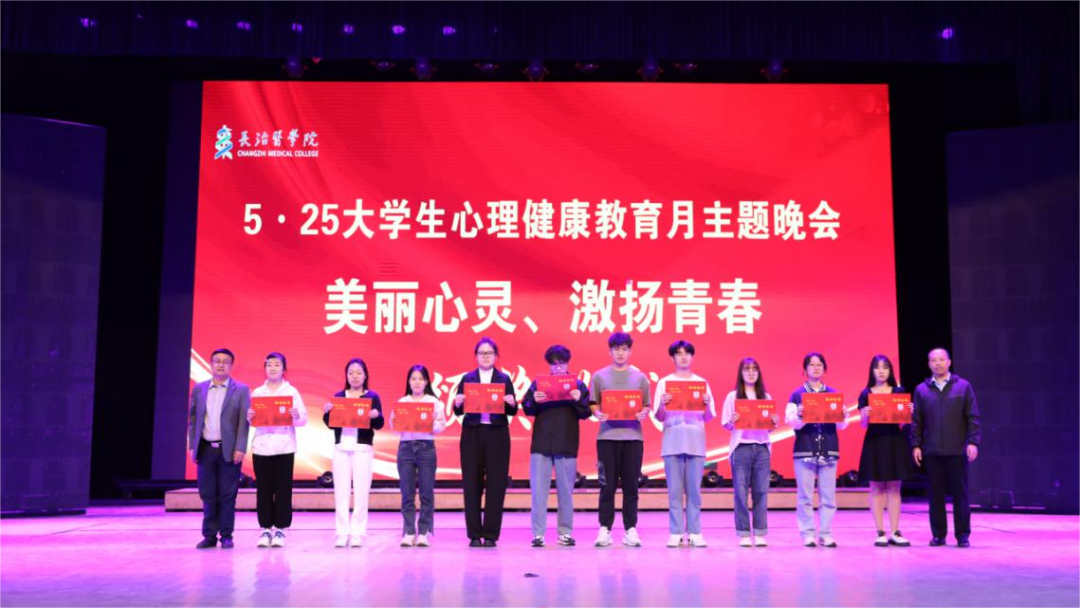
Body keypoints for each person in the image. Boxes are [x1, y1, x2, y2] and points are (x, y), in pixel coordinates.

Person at [521, 345, 591, 548]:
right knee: (538, 492)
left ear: (568, 363)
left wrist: (578, 400)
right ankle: (538, 534)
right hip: (541, 443)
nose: (558, 367)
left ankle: (565, 533)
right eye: (554, 364)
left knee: (566, 492)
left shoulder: (577, 385)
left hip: (567, 442)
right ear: (549, 365)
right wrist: (534, 401)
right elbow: (527, 408)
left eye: (562, 363)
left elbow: (586, 412)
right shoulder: (539, 384)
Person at [911, 347, 981, 548]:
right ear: (929, 364)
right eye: (933, 360)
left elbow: (973, 417)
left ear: (949, 362)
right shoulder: (921, 390)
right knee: (935, 496)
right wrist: (916, 445)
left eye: (942, 359)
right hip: (932, 451)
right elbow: (917, 421)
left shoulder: (963, 387)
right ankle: (938, 535)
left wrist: (973, 442)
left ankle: (963, 535)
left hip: (957, 450)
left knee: (961, 495)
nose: (938, 363)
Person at [452, 337, 518, 547]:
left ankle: (490, 534)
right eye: (482, 353)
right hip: (472, 434)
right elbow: (458, 411)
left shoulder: (504, 379)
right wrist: (457, 403)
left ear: (496, 356)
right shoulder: (468, 378)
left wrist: (511, 403)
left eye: (489, 353)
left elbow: (513, 410)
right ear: (476, 356)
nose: (486, 356)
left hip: (497, 435)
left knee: (496, 484)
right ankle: (474, 534)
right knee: (471, 483)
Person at [589, 332, 651, 548]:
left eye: (624, 349)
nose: (620, 353)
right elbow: (593, 402)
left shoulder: (640, 378)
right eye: (616, 349)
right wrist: (597, 413)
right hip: (607, 437)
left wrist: (643, 413)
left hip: (633, 438)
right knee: (607, 485)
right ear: (610, 351)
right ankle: (604, 529)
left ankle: (630, 529)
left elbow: (646, 405)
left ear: (630, 351)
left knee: (631, 486)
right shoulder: (599, 376)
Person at [654, 340, 715, 548]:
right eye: (678, 353)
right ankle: (676, 532)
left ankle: (695, 532)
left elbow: (709, 416)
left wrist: (706, 404)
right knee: (674, 492)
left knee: (694, 492)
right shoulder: (664, 383)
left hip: (695, 442)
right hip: (672, 442)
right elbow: (659, 416)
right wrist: (663, 404)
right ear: (672, 357)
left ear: (692, 357)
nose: (683, 357)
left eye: (687, 353)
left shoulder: (701, 383)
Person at [188, 348, 250, 549]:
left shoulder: (241, 390)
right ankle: (209, 536)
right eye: (217, 361)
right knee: (207, 494)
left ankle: (226, 535)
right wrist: (192, 445)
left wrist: (240, 447)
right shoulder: (200, 389)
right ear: (211, 364)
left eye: (225, 361)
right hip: (205, 448)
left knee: (227, 495)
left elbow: (243, 422)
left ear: (231, 366)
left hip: (228, 449)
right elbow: (193, 419)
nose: (221, 365)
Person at [785, 352, 848, 548]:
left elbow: (842, 426)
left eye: (819, 364)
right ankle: (808, 534)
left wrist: (842, 415)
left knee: (828, 496)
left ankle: (826, 533)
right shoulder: (797, 395)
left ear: (824, 369)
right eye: (811, 365)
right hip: (804, 450)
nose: (815, 368)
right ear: (805, 370)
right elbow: (791, 423)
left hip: (829, 449)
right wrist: (800, 415)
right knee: (805, 496)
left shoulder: (833, 394)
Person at [247, 352, 308, 548]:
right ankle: (265, 529)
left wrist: (296, 415)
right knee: (263, 490)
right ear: (265, 368)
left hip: (284, 446)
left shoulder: (292, 392)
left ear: (284, 369)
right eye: (269, 364)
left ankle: (281, 529)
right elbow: (251, 421)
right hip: (262, 447)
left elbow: (303, 420)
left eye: (277, 364)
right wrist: (249, 416)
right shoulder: (257, 392)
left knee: (283, 490)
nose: (272, 368)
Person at [322, 358, 383, 548]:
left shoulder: (372, 397)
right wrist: (327, 413)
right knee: (341, 492)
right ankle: (342, 532)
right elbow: (331, 424)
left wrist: (375, 416)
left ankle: (357, 532)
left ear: (365, 375)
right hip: (341, 448)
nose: (354, 376)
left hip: (362, 449)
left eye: (358, 372)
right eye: (351, 373)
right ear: (346, 376)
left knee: (361, 492)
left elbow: (379, 424)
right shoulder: (339, 396)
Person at [721, 357, 779, 548]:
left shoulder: (766, 397)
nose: (751, 372)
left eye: (755, 369)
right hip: (741, 448)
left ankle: (760, 532)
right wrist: (733, 420)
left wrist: (774, 423)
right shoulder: (733, 397)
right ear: (741, 373)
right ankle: (744, 533)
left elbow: (769, 429)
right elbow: (726, 424)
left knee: (761, 491)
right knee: (740, 492)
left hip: (761, 448)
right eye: (747, 369)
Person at [857, 354, 913, 547]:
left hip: (895, 441)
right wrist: (865, 415)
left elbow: (903, 423)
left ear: (890, 371)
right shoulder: (866, 393)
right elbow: (863, 424)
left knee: (894, 487)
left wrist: (909, 412)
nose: (881, 371)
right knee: (876, 487)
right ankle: (880, 532)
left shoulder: (899, 392)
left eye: (885, 367)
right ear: (872, 371)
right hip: (875, 441)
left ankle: (895, 531)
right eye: (877, 367)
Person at [392, 364, 448, 547]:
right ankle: (409, 532)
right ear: (408, 382)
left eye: (420, 379)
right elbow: (394, 427)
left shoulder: (434, 402)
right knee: (407, 492)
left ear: (426, 382)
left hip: (426, 448)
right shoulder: (402, 402)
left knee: (426, 492)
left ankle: (423, 532)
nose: (417, 382)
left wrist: (430, 424)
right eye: (413, 378)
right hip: (406, 448)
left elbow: (441, 425)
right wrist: (398, 422)